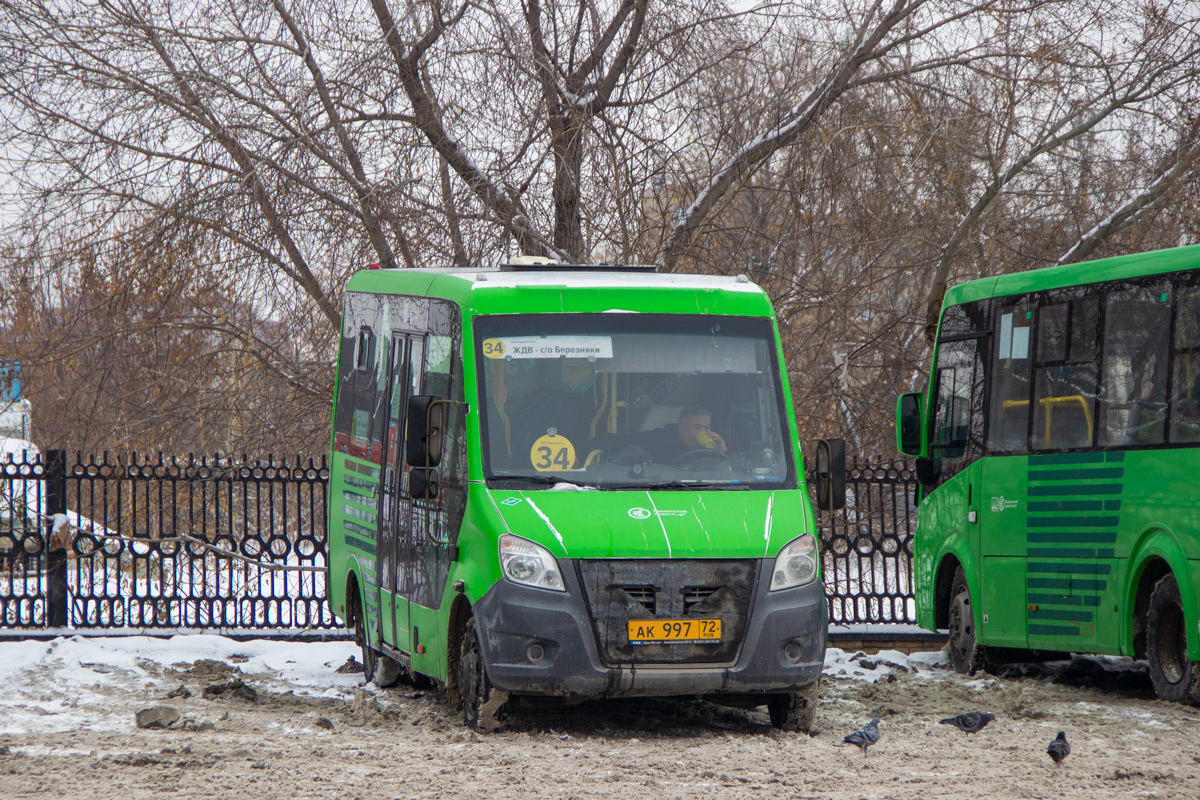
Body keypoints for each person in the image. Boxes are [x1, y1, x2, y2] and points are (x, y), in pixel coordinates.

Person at [642, 405, 727, 464]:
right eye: (697, 427)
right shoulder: (662, 444)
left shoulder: (710, 450)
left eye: (707, 428)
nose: (703, 432)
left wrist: (721, 452)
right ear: (682, 428)